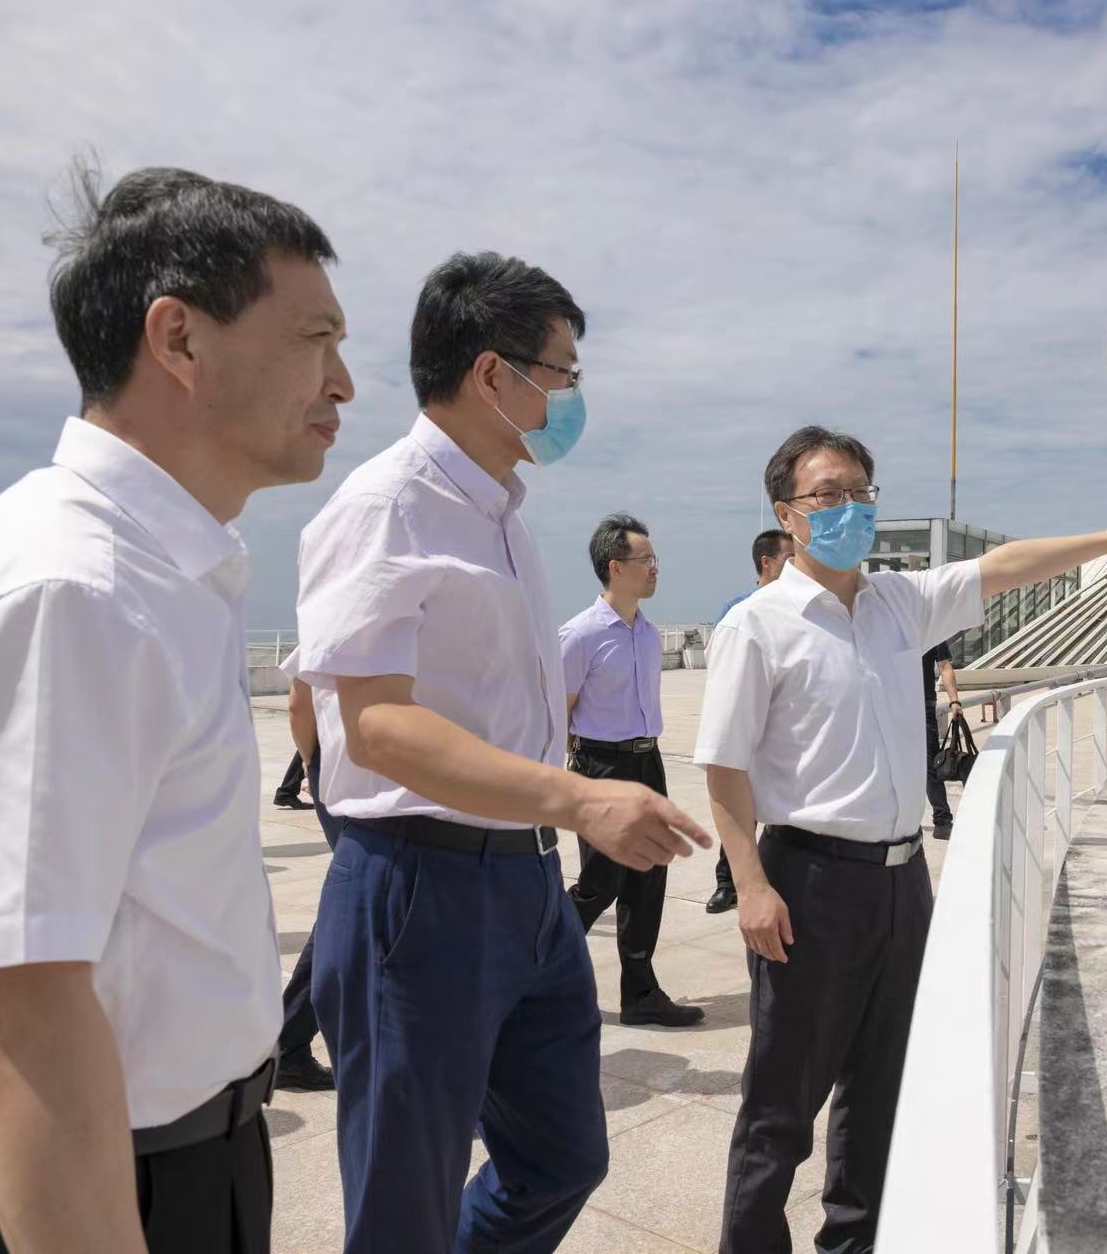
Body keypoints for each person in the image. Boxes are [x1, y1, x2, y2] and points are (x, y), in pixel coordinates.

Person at [0, 164, 353, 1254]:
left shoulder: (161, 568)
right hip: (78, 1191)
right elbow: (18, 1007)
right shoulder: (71, 586)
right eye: (315, 338)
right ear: (178, 339)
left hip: (184, 1163)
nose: (344, 381)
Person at [295, 251, 713, 1254]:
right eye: (563, 373)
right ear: (494, 374)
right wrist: (579, 797)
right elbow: (377, 725)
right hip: (419, 885)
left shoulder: (504, 515)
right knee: (403, 1208)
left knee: (561, 1157)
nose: (571, 397)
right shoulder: (387, 504)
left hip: (524, 883)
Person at [696, 425, 1107, 1252]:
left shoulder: (899, 601)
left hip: (900, 880)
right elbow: (723, 766)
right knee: (783, 1100)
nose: (849, 508)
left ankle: (854, 1241)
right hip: (809, 879)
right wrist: (750, 883)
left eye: (861, 492)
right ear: (787, 514)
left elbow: (1003, 567)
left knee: (881, 1086)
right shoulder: (758, 625)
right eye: (828, 494)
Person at [560, 514, 703, 1027]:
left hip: (648, 760)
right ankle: (533, 967)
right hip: (601, 764)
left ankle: (640, 994)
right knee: (601, 881)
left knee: (648, 876)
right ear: (616, 567)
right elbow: (558, 712)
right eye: (646, 560)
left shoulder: (646, 634)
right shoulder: (580, 635)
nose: (655, 568)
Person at [706, 528, 794, 915]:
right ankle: (728, 884)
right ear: (767, 563)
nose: (797, 566)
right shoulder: (738, 610)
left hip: (784, 729)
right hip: (748, 725)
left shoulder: (798, 607)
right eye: (790, 559)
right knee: (739, 808)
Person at [274, 674, 339, 1090]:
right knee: (357, 907)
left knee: (356, 907)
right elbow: (299, 701)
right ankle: (288, 1043)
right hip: (361, 783)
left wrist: (312, 763)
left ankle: (289, 1042)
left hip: (343, 773)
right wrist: (312, 764)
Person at [923, 640, 963, 839]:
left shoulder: (932, 629)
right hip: (892, 707)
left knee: (931, 765)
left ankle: (942, 821)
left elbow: (945, 666)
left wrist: (954, 700)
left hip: (923, 706)